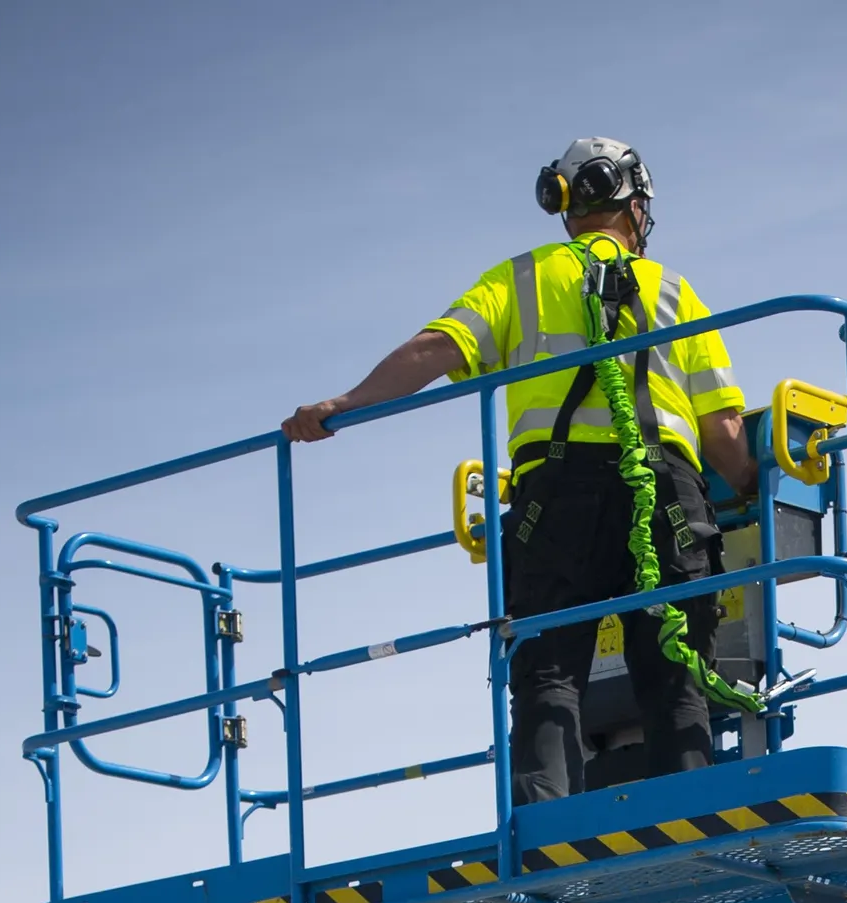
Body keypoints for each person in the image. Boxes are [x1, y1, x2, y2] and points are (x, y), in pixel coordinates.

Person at [285, 139, 758, 803]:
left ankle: (543, 835)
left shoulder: (521, 279)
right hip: (668, 500)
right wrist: (750, 485)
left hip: (555, 498)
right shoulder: (677, 292)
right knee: (675, 674)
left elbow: (435, 348)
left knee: (549, 672)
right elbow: (723, 431)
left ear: (564, 206)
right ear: (637, 206)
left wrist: (347, 403)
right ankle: (694, 820)